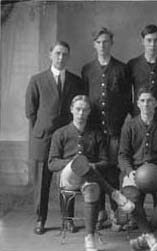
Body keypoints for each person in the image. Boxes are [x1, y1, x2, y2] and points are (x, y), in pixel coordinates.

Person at [48, 95, 135, 251]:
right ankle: (113, 193)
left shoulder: (95, 134)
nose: (81, 113)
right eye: (78, 109)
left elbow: (105, 161)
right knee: (79, 162)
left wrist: (91, 165)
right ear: (71, 110)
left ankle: (89, 237)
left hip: (89, 177)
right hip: (67, 178)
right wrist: (72, 163)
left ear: (89, 112)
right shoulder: (60, 133)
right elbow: (52, 164)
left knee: (93, 188)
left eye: (85, 110)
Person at [25, 41, 85, 234]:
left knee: (67, 179)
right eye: (58, 53)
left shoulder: (76, 81)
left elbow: (79, 109)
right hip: (43, 138)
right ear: (50, 54)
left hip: (67, 139)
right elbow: (30, 112)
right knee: (42, 182)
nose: (61, 58)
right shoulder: (37, 80)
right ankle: (40, 219)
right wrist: (42, 131)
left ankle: (67, 219)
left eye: (65, 54)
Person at [81, 27, 132, 231]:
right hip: (93, 132)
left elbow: (127, 100)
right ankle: (100, 211)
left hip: (114, 131)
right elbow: (84, 99)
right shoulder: (87, 69)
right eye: (99, 42)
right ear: (94, 44)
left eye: (106, 42)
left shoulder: (121, 69)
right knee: (96, 170)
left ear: (112, 43)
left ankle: (115, 213)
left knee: (112, 171)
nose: (102, 45)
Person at [118, 87, 157, 251]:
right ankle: (150, 236)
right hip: (135, 171)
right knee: (131, 196)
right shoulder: (129, 126)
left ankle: (145, 235)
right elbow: (123, 155)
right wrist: (130, 171)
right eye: (143, 101)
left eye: (150, 100)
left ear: (156, 103)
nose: (146, 104)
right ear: (138, 103)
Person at [127, 24, 157, 121]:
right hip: (139, 117)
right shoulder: (133, 64)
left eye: (156, 40)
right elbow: (126, 94)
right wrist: (134, 112)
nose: (152, 44)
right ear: (143, 42)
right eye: (149, 40)